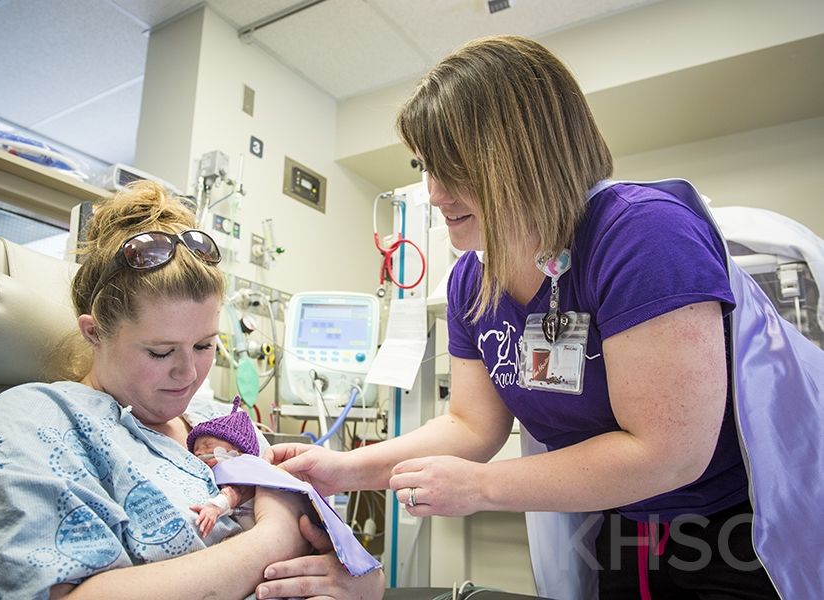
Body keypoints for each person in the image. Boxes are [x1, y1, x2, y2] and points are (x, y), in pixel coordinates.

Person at [266, 35, 823, 600]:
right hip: (620, 524)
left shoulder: (641, 236)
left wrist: (483, 487)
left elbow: (668, 452)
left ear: (520, 154)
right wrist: (344, 468)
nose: (433, 193)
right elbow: (470, 426)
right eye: (426, 167)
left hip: (741, 526)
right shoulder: (472, 280)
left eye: (453, 168)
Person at [0, 180, 383, 600]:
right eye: (161, 352)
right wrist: (274, 538)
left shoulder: (222, 425)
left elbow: (357, 565)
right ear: (94, 332)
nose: (188, 373)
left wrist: (359, 583)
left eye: (204, 345)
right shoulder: (32, 426)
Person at [187, 396, 259, 536]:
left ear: (237, 452)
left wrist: (214, 508)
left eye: (207, 446)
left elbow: (233, 493)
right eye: (195, 450)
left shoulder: (239, 471)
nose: (199, 453)